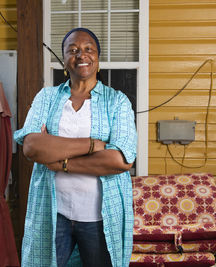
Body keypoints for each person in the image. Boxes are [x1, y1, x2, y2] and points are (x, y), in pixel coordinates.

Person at [13, 27, 137, 267]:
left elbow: (120, 160)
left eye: (89, 49)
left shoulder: (117, 101)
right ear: (65, 61)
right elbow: (31, 146)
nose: (81, 55)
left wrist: (61, 162)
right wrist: (93, 145)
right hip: (53, 212)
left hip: (99, 217)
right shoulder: (46, 98)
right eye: (73, 50)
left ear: (97, 59)